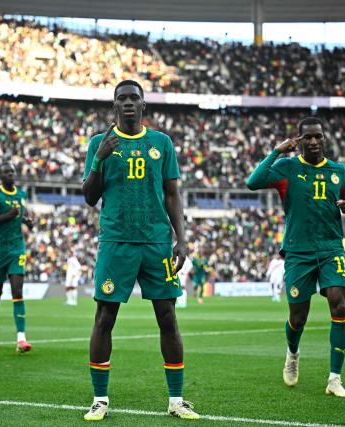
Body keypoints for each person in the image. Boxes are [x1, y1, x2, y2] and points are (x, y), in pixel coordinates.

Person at [81, 80, 200, 421]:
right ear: (114, 105)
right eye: (122, 99)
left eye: (134, 98)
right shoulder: (99, 143)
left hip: (157, 243)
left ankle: (176, 399)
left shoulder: (161, 143)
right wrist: (99, 160)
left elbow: (172, 193)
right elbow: (89, 196)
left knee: (168, 317)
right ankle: (100, 399)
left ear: (143, 104)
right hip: (116, 242)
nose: (129, 103)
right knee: (105, 318)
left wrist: (182, 238)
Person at [246, 117, 345, 398]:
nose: (314, 141)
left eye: (318, 136)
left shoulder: (338, 171)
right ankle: (292, 353)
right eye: (307, 137)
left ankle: (334, 379)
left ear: (325, 138)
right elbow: (252, 182)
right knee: (299, 316)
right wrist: (276, 151)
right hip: (298, 250)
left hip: (331, 248)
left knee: (339, 305)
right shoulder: (287, 167)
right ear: (299, 140)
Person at [0, 163, 35, 354]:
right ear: (0, 176)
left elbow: (21, 215)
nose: (11, 174)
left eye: (13, 171)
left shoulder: (21, 195)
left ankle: (21, 338)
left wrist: (27, 221)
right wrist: (7, 215)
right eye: (7, 172)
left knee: (17, 291)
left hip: (17, 249)